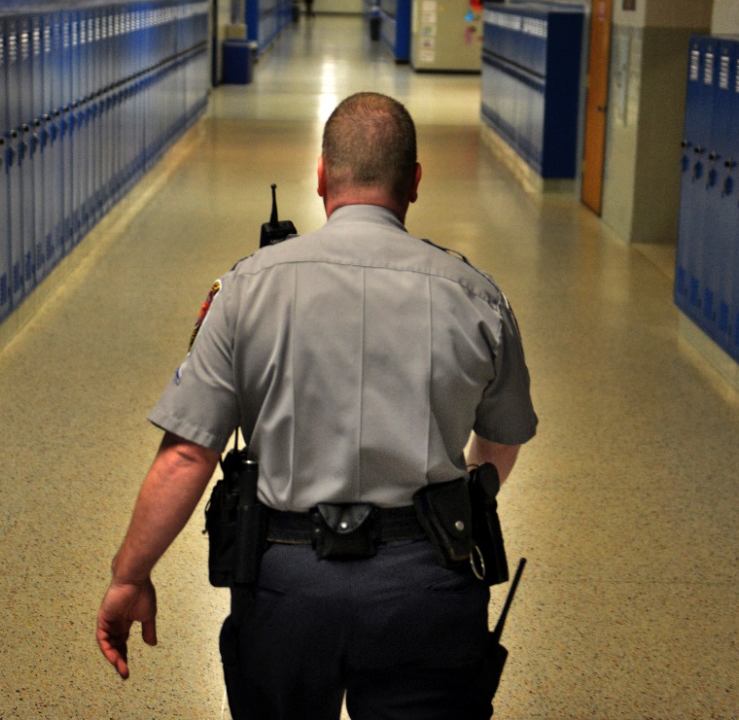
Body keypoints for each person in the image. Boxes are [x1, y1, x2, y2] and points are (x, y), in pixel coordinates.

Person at [96, 91, 538, 719]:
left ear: (322, 176)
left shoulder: (246, 288)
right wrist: (466, 486)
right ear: (414, 182)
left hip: (287, 585)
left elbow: (188, 455)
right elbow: (503, 438)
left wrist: (129, 575)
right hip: (427, 582)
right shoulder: (476, 296)